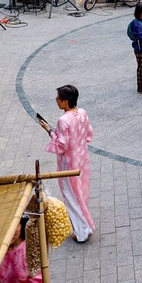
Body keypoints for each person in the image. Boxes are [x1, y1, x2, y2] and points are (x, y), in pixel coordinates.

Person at [40, 85, 95, 242]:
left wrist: (49, 131)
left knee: (71, 196)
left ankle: (82, 231)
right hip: (82, 158)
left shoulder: (63, 120)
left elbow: (62, 145)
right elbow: (88, 134)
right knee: (81, 193)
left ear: (65, 101)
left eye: (58, 98)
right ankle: (84, 226)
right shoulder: (82, 113)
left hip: (69, 164)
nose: (56, 101)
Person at [0, 216, 43, 283]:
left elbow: (37, 279)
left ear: (20, 225)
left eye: (14, 226)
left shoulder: (30, 249)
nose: (10, 233)